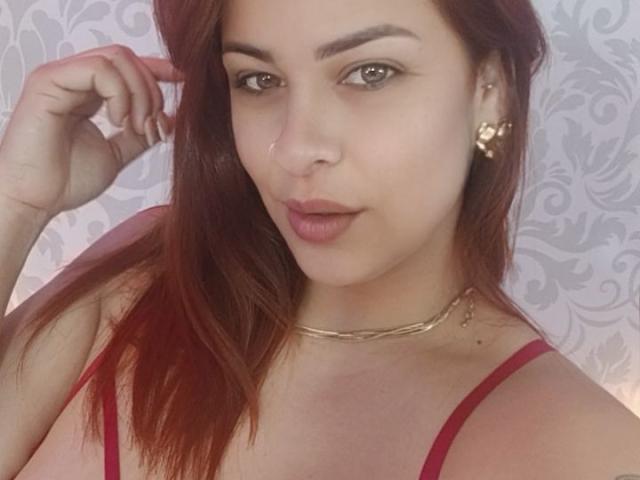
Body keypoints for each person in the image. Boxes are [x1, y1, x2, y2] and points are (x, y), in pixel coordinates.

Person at [1, 0, 639, 478]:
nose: (295, 148)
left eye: (370, 72)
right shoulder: (143, 276)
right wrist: (18, 202)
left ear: (489, 91)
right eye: (258, 80)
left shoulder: (573, 448)